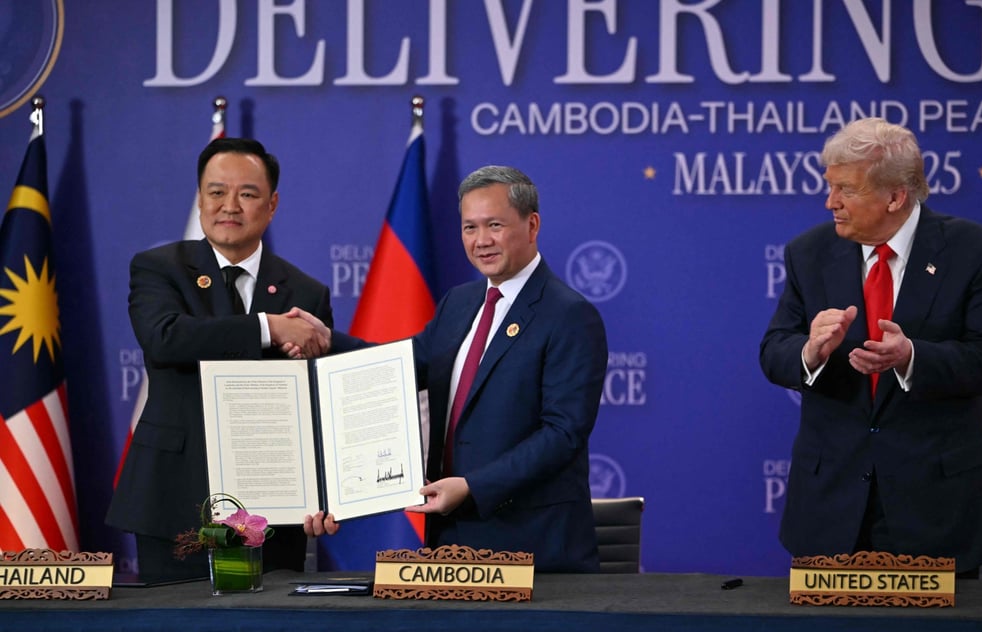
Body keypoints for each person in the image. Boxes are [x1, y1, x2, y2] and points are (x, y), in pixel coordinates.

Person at [304, 165, 608, 572]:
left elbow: (562, 434)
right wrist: (326, 341)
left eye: (494, 225)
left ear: (532, 225)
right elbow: (396, 370)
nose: (481, 241)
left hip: (533, 548)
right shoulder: (459, 304)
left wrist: (471, 487)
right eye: (469, 228)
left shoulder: (569, 315)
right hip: (451, 542)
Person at [760, 117, 982, 575]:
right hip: (831, 508)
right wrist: (811, 351)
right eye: (830, 187)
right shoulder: (808, 253)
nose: (830, 202)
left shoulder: (975, 252)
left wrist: (913, 357)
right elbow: (774, 349)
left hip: (938, 509)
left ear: (896, 196)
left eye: (846, 190)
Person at [106, 137, 333, 583]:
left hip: (275, 504)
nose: (230, 205)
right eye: (216, 192)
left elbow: (316, 402)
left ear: (272, 205)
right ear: (199, 199)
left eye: (247, 194)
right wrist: (268, 329)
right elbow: (165, 338)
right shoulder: (158, 267)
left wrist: (325, 491)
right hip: (172, 498)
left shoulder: (307, 294)